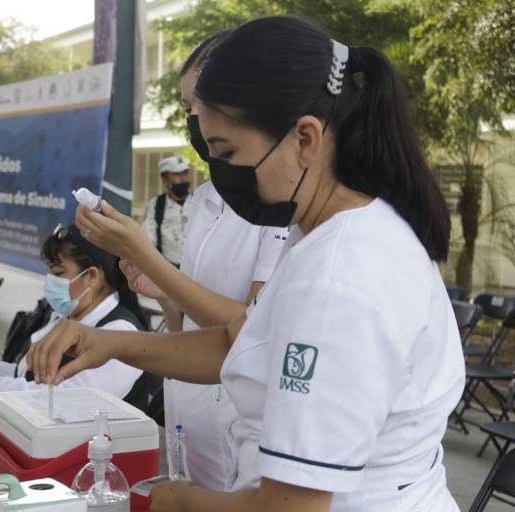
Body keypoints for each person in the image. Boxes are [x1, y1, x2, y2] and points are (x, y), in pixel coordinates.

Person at [29, 15, 465, 512]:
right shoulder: (336, 232)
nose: (224, 174)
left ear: (305, 139)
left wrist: (185, 500)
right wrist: (109, 342)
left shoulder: (339, 278)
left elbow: (290, 507)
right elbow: (241, 342)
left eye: (228, 152)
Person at [71, 31, 288, 492]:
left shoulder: (281, 210)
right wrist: (161, 286)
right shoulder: (206, 202)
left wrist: (147, 257)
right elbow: (188, 324)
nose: (193, 119)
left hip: (239, 418)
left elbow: (249, 331)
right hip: (190, 412)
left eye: (198, 105)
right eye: (187, 106)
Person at [0, 224, 151, 409]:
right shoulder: (65, 317)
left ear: (92, 276)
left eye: (59, 274)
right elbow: (27, 376)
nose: (50, 282)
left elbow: (69, 402)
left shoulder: (120, 331)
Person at [141, 156, 191, 267]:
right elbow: (148, 241)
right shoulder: (155, 205)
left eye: (185, 173)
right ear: (165, 180)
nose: (183, 178)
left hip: (198, 272)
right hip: (170, 271)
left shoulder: (200, 201)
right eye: (177, 174)